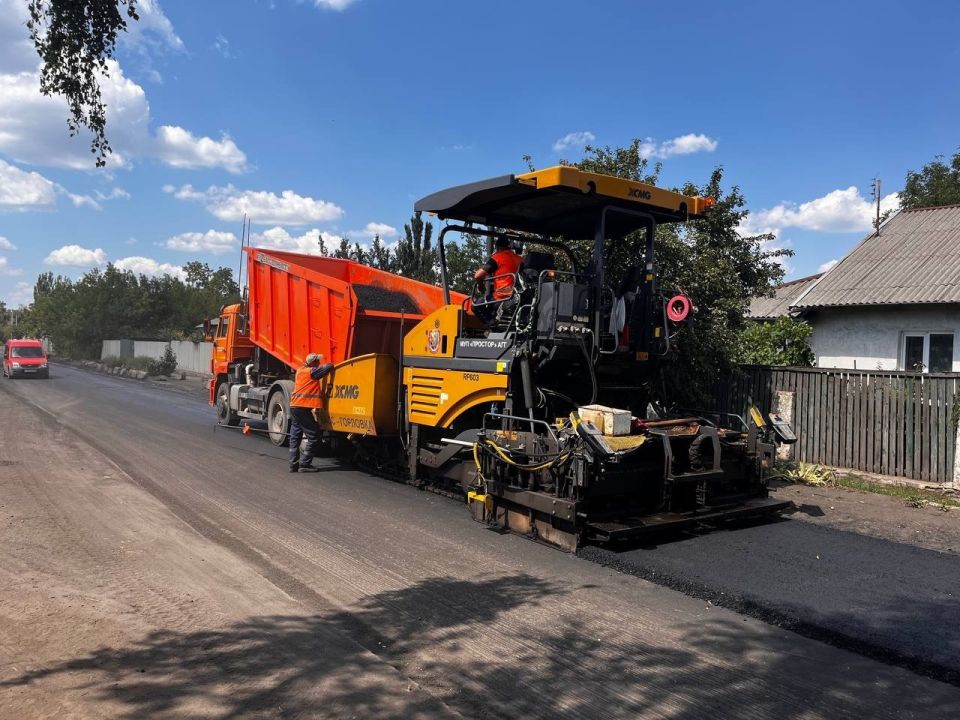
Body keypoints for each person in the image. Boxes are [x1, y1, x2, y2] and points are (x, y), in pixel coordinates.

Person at [288, 352, 334, 473]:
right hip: (302, 408)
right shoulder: (312, 372)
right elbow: (328, 367)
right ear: (313, 363)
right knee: (314, 435)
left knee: (295, 436)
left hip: (294, 406)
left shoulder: (300, 370)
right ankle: (304, 464)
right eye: (317, 361)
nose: (319, 363)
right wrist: (330, 364)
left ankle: (293, 465)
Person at [474, 235, 523, 300]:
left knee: (476, 305)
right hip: (518, 293)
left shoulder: (497, 258)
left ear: (497, 247)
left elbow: (477, 276)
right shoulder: (520, 259)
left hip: (503, 295)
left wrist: (481, 286)